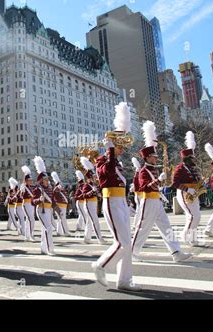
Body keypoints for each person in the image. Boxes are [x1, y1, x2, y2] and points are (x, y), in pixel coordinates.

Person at [91, 102, 140, 291]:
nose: (122, 149)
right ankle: (101, 265)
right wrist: (110, 149)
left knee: (127, 242)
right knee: (123, 242)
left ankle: (124, 280)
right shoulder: (103, 160)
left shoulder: (117, 162)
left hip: (120, 202)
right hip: (110, 201)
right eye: (119, 146)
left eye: (121, 146)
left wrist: (128, 202)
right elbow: (106, 173)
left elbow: (120, 181)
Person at [132, 121, 192, 263]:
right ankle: (132, 252)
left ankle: (176, 252)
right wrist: (158, 181)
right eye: (154, 156)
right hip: (148, 201)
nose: (156, 158)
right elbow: (144, 187)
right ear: (147, 157)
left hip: (156, 201)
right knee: (143, 229)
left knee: (166, 227)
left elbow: (154, 185)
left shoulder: (153, 169)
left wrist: (160, 182)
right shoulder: (143, 171)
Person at [172, 131, 204, 246]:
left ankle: (193, 238)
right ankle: (185, 235)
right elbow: (175, 183)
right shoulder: (180, 168)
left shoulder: (193, 168)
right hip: (184, 193)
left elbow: (195, 181)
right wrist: (187, 189)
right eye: (191, 158)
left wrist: (200, 183)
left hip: (193, 193)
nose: (194, 160)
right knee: (193, 216)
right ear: (186, 158)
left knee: (196, 216)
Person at [32, 156, 56, 255]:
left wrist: (56, 209)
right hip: (41, 210)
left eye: (47, 179)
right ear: (41, 180)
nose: (47, 181)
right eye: (45, 179)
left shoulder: (50, 188)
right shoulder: (38, 189)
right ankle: (50, 249)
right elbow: (33, 201)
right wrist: (39, 199)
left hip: (48, 210)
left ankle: (43, 248)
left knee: (44, 229)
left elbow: (52, 200)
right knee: (48, 228)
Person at [80, 156, 105, 244]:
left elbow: (97, 193)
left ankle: (87, 238)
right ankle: (100, 238)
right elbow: (84, 195)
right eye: (93, 177)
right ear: (89, 178)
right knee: (95, 221)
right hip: (88, 204)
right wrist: (92, 191)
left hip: (93, 203)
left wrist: (98, 193)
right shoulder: (86, 186)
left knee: (90, 222)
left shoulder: (94, 185)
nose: (95, 178)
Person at [51, 171, 71, 236]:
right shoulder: (56, 189)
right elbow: (52, 194)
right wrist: (56, 188)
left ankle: (59, 232)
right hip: (59, 206)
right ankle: (66, 232)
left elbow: (66, 197)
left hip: (64, 206)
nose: (61, 185)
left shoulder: (62, 190)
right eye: (60, 184)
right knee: (63, 219)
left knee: (60, 219)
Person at [19, 165, 36, 242]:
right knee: (30, 219)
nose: (31, 181)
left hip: (32, 204)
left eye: (31, 180)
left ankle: (27, 236)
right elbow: (21, 196)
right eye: (29, 180)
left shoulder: (32, 187)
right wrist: (22, 188)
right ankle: (31, 235)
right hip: (26, 204)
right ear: (26, 181)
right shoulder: (23, 186)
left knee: (29, 220)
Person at [131, 157, 142, 230]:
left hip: (140, 194)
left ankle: (138, 224)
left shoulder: (138, 176)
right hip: (138, 194)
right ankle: (135, 225)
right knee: (138, 210)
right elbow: (137, 185)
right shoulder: (136, 177)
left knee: (141, 210)